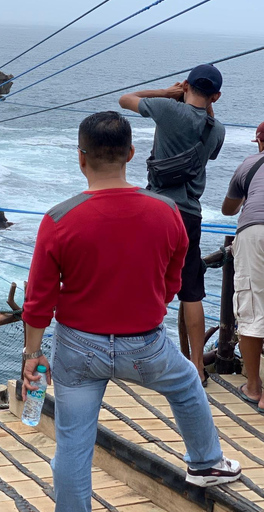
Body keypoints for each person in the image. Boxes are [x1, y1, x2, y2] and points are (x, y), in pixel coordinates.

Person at [22, 111, 240, 512]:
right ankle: (206, 463)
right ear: (132, 154)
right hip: (145, 345)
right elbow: (172, 280)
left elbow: (39, 301)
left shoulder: (57, 219)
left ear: (81, 158)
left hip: (78, 348)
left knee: (73, 443)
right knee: (188, 384)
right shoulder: (167, 212)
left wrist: (31, 355)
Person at [119, 64, 225, 387]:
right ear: (216, 96)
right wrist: (202, 108)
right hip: (190, 213)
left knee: (146, 281)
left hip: (157, 207)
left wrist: (167, 93)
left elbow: (126, 99)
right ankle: (196, 366)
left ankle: (139, 355)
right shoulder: (216, 129)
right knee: (191, 290)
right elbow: (212, 152)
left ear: (186, 86)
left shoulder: (167, 110)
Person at [222, 121, 264, 410]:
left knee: (252, 307)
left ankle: (253, 387)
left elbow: (228, 208)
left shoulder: (250, 165)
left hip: (254, 232)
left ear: (260, 142)